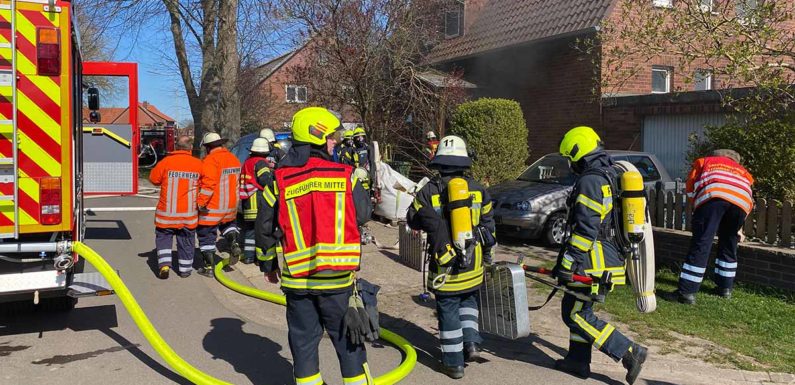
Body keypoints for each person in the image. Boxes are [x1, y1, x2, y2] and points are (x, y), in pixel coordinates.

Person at [255, 107, 374, 385]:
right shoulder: (346, 176)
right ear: (318, 137)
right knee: (349, 340)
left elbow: (264, 227)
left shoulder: (279, 181)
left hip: (298, 283)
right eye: (332, 137)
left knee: (303, 343)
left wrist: (268, 264)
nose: (336, 143)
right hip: (337, 281)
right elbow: (364, 214)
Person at [554, 126, 647, 384]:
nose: (570, 165)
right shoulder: (610, 174)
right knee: (578, 308)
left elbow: (586, 230)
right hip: (607, 260)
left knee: (574, 314)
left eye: (570, 158)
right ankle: (577, 360)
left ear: (579, 154)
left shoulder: (590, 181)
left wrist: (568, 263)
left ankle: (629, 351)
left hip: (591, 263)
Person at [406, 135, 495, 380]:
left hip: (445, 266)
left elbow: (412, 220)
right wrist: (487, 255)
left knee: (448, 311)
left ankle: (454, 364)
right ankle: (472, 343)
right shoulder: (478, 189)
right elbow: (489, 226)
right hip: (473, 264)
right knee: (469, 302)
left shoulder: (429, 190)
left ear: (440, 162)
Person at [673, 149, 753, 304]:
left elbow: (690, 186)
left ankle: (686, 293)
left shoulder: (705, 162)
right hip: (742, 203)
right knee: (729, 243)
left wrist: (697, 206)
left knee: (702, 242)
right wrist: (739, 228)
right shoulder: (742, 171)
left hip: (714, 196)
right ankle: (725, 289)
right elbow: (748, 194)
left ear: (717, 156)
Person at [149, 135, 202, 279]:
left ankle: (164, 265)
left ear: (176, 147)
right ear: (190, 148)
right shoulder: (198, 164)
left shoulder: (166, 162)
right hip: (188, 214)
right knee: (186, 240)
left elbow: (154, 179)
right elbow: (206, 183)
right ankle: (185, 270)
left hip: (166, 213)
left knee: (164, 238)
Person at [196, 132, 242, 276]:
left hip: (213, 207)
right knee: (228, 226)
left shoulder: (210, 161)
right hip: (231, 205)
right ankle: (233, 243)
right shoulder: (233, 159)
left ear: (207, 147)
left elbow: (208, 185)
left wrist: (200, 203)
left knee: (206, 235)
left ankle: (209, 268)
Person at [238, 138, 273, 264]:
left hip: (247, 200)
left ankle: (248, 256)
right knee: (260, 231)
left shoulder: (248, 162)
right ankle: (259, 259)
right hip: (257, 201)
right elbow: (265, 180)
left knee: (250, 230)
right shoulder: (261, 162)